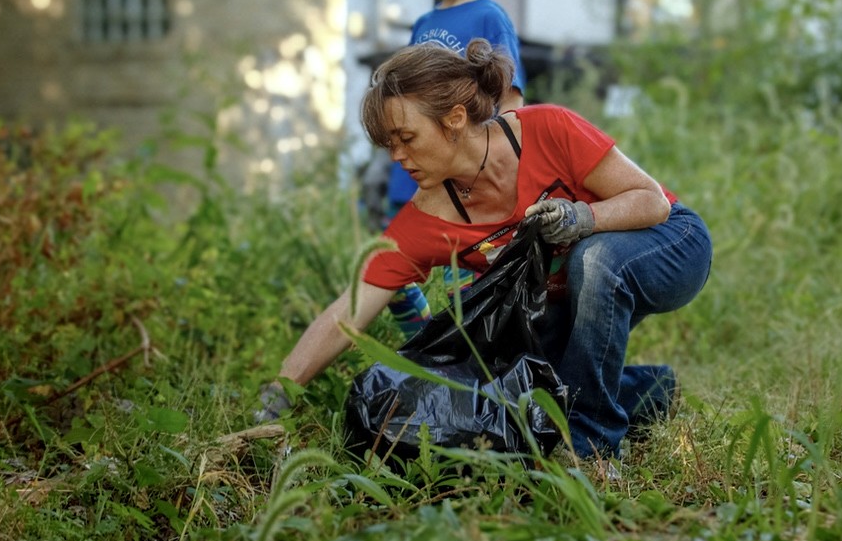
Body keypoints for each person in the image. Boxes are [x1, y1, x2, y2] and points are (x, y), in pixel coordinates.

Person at [259, 39, 712, 463]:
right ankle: (651, 390)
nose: (396, 155)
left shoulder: (547, 128)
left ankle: (589, 449)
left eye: (406, 138)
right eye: (388, 144)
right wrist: (279, 394)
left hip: (671, 245)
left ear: (455, 119)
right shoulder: (426, 219)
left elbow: (651, 202)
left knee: (592, 259)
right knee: (520, 384)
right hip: (571, 298)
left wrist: (581, 218)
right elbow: (349, 310)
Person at [383, 0, 527, 339]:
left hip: (462, 188)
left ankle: (458, 359)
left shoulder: (490, 19)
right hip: (411, 175)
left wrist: (488, 176)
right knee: (389, 275)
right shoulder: (424, 25)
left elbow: (512, 104)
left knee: (462, 287)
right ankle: (426, 347)